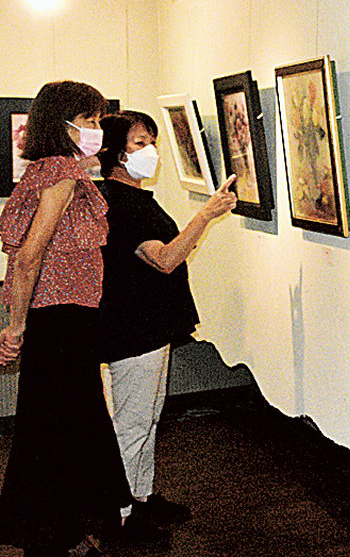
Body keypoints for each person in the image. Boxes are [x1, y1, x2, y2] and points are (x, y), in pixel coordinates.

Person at [0, 81, 131, 557]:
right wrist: (15, 327)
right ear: (62, 124)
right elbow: (29, 256)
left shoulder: (44, 169)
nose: (97, 129)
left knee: (55, 423)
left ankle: (59, 529)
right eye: (89, 120)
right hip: (60, 319)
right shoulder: (60, 171)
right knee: (63, 423)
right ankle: (53, 531)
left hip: (59, 317)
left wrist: (19, 322)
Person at [95, 110, 236, 531]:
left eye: (152, 141)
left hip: (149, 326)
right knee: (132, 423)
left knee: (148, 417)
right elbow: (166, 259)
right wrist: (205, 215)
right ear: (117, 153)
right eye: (140, 143)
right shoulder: (119, 203)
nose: (151, 151)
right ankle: (119, 515)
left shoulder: (134, 198)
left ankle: (141, 497)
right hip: (133, 329)